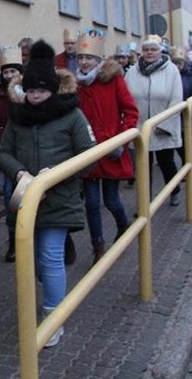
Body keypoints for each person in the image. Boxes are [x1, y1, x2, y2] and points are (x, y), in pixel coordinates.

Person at [0, 40, 96, 347]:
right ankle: (50, 291)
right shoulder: (18, 115)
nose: (36, 96)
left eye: (42, 90)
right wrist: (19, 173)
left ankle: (53, 318)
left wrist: (57, 175)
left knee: (50, 256)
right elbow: (3, 152)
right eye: (32, 90)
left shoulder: (72, 115)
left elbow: (87, 154)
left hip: (59, 198)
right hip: (27, 198)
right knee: (36, 260)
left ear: (53, 89)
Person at [73, 30, 139, 265]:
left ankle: (123, 225)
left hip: (111, 150)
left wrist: (121, 141)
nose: (84, 62)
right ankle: (97, 246)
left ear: (98, 59)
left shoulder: (113, 79)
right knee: (91, 203)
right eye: (80, 57)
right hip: (88, 151)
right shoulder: (76, 85)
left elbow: (130, 112)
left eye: (88, 58)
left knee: (111, 200)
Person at [125, 35, 184, 206]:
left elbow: (176, 100)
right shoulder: (133, 71)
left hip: (163, 126)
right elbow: (126, 97)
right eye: (146, 49)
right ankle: (145, 203)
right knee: (143, 167)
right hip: (140, 127)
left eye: (153, 49)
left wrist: (165, 125)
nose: (149, 53)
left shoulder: (171, 70)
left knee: (166, 163)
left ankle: (175, 190)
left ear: (160, 51)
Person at [0, 45, 23, 262]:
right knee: (11, 198)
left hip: (26, 153)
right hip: (6, 154)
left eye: (13, 71)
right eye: (6, 71)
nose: (9, 75)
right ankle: (13, 242)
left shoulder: (27, 93)